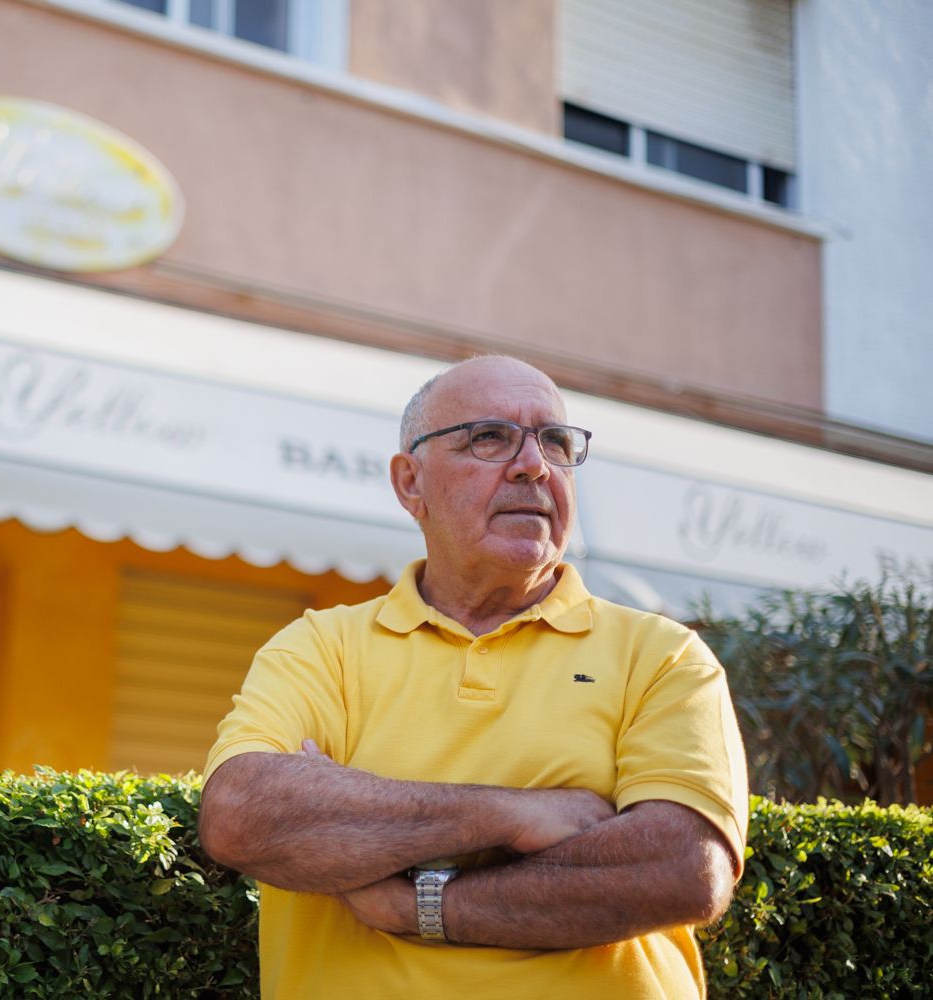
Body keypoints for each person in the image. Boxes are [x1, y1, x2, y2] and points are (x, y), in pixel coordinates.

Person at [198, 355, 749, 1000]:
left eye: (555, 441)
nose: (534, 465)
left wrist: (421, 907)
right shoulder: (323, 646)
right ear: (411, 483)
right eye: (488, 437)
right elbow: (242, 816)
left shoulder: (662, 655)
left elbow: (681, 868)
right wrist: (517, 815)